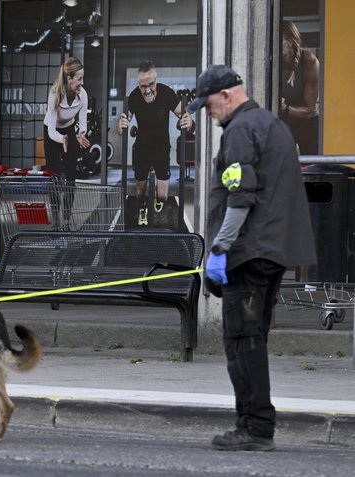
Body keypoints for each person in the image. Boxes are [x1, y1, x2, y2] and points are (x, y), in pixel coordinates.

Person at [187, 65, 316, 451]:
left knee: (242, 341)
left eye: (207, 105)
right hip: (271, 253)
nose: (207, 114)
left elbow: (240, 197)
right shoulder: (273, 125)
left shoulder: (241, 130)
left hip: (248, 253)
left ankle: (256, 428)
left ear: (226, 95)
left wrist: (219, 251)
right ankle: (254, 423)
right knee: (252, 339)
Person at [116, 60, 194, 226]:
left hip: (161, 147)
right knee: (140, 190)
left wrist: (189, 120)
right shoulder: (135, 97)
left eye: (151, 84)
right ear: (139, 84)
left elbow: (184, 115)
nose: (148, 90)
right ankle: (143, 206)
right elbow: (122, 124)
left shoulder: (166, 93)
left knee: (163, 196)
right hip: (142, 148)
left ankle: (157, 201)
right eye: (143, 86)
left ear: (156, 81)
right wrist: (121, 125)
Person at [43, 57, 91, 229]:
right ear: (69, 78)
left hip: (70, 131)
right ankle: (56, 220)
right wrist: (61, 139)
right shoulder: (55, 94)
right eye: (79, 79)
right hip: (52, 132)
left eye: (82, 78)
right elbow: (51, 131)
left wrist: (80, 134)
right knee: (54, 177)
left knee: (71, 177)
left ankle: (66, 220)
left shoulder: (82, 95)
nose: (82, 82)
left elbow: (83, 122)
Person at [280, 20, 320, 155]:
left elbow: (308, 110)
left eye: (282, 40)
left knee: (313, 167)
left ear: (290, 41)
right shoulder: (271, 60)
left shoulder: (309, 61)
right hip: (284, 122)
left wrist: (284, 108)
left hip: (307, 123)